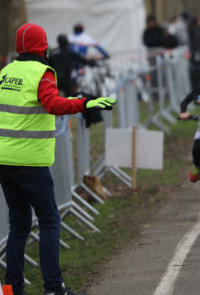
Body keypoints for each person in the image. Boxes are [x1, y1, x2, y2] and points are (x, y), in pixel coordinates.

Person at [0, 23, 116, 295]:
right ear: (43, 46)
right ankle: (53, 287)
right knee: (50, 219)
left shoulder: (5, 72)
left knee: (19, 224)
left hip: (4, 161)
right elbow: (53, 104)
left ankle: (11, 289)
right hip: (30, 160)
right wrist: (84, 102)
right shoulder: (42, 72)